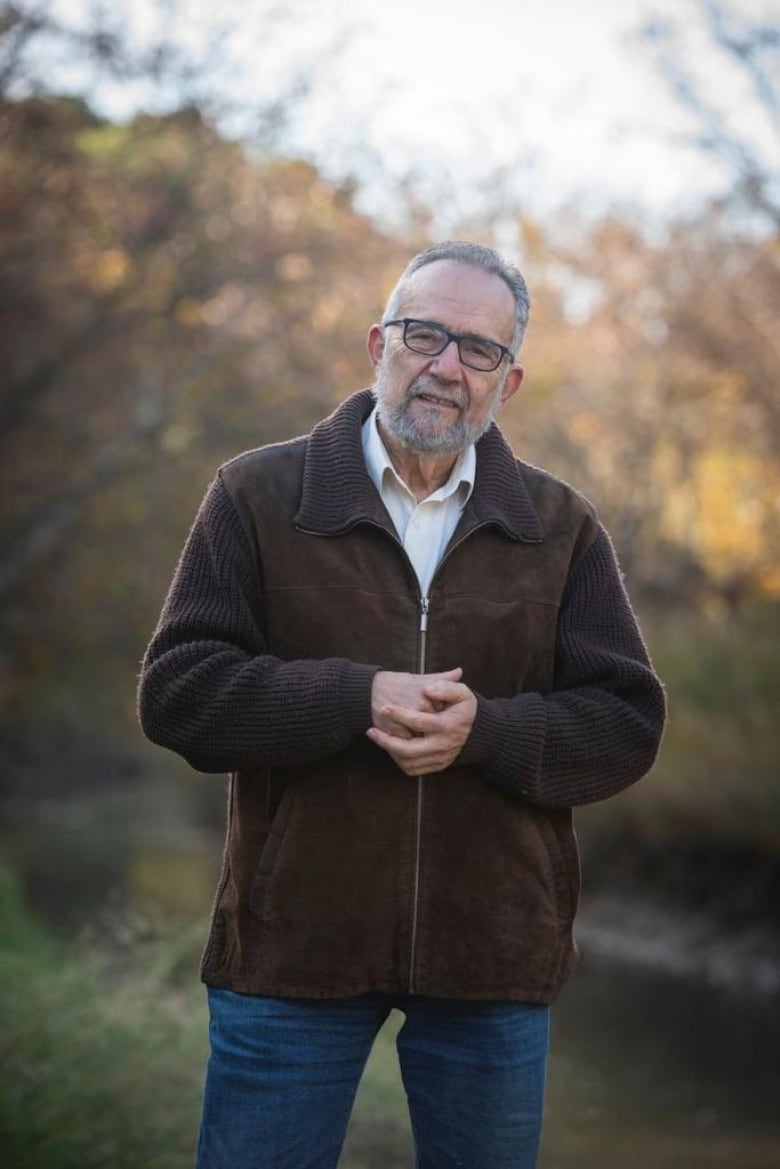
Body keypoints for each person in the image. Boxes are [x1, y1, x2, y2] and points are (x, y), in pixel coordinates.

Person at [138, 240, 666, 1169]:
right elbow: (179, 696)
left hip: (493, 948)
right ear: (378, 342)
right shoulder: (257, 496)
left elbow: (624, 722)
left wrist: (487, 732)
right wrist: (354, 696)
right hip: (293, 945)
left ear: (509, 382)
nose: (446, 366)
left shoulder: (562, 527)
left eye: (479, 350)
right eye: (426, 334)